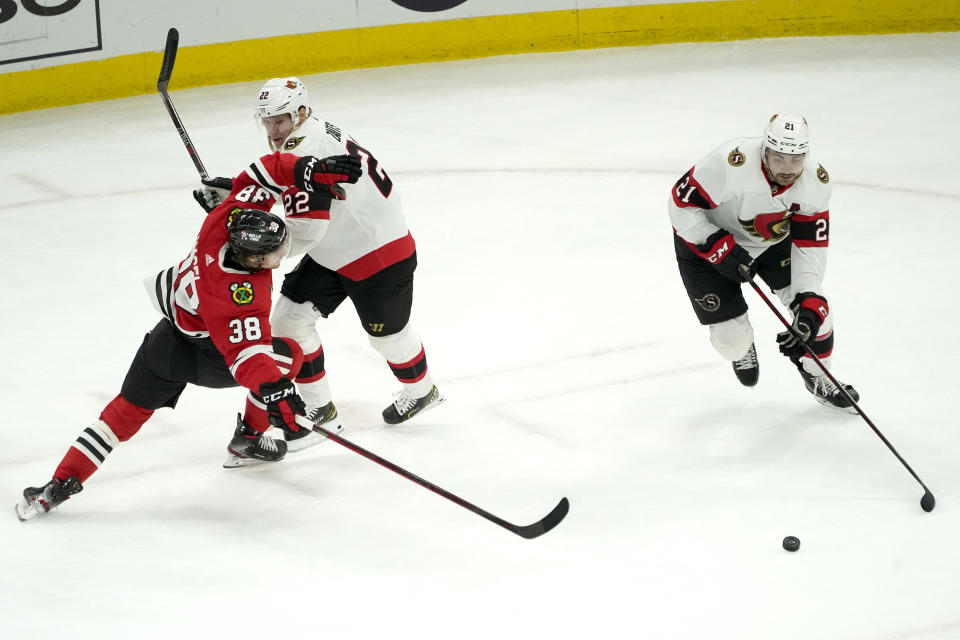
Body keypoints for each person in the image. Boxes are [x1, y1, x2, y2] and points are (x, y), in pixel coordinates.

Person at [16, 153, 361, 521]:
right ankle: (248, 439)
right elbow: (248, 358)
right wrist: (276, 390)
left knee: (121, 415)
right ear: (253, 260)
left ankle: (56, 486)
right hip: (208, 356)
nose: (281, 255)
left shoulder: (222, 221)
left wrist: (305, 169)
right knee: (287, 355)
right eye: (275, 254)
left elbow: (263, 173)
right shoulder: (236, 298)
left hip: (166, 343)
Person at [194, 76, 444, 447]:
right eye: (267, 122)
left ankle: (421, 390)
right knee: (287, 321)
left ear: (300, 113)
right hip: (336, 248)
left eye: (279, 121)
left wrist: (252, 243)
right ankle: (319, 409)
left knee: (388, 338)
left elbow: (304, 231)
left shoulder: (304, 145)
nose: (273, 130)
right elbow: (289, 185)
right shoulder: (310, 131)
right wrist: (236, 193)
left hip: (377, 253)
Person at [668, 113, 859, 411]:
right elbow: (680, 207)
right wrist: (717, 246)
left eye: (795, 160)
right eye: (779, 158)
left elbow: (810, 248)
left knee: (818, 312)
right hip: (704, 243)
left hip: (770, 240)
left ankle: (819, 376)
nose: (787, 168)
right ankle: (743, 345)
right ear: (765, 150)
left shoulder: (816, 184)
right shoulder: (729, 164)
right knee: (731, 342)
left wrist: (807, 301)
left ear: (805, 156)